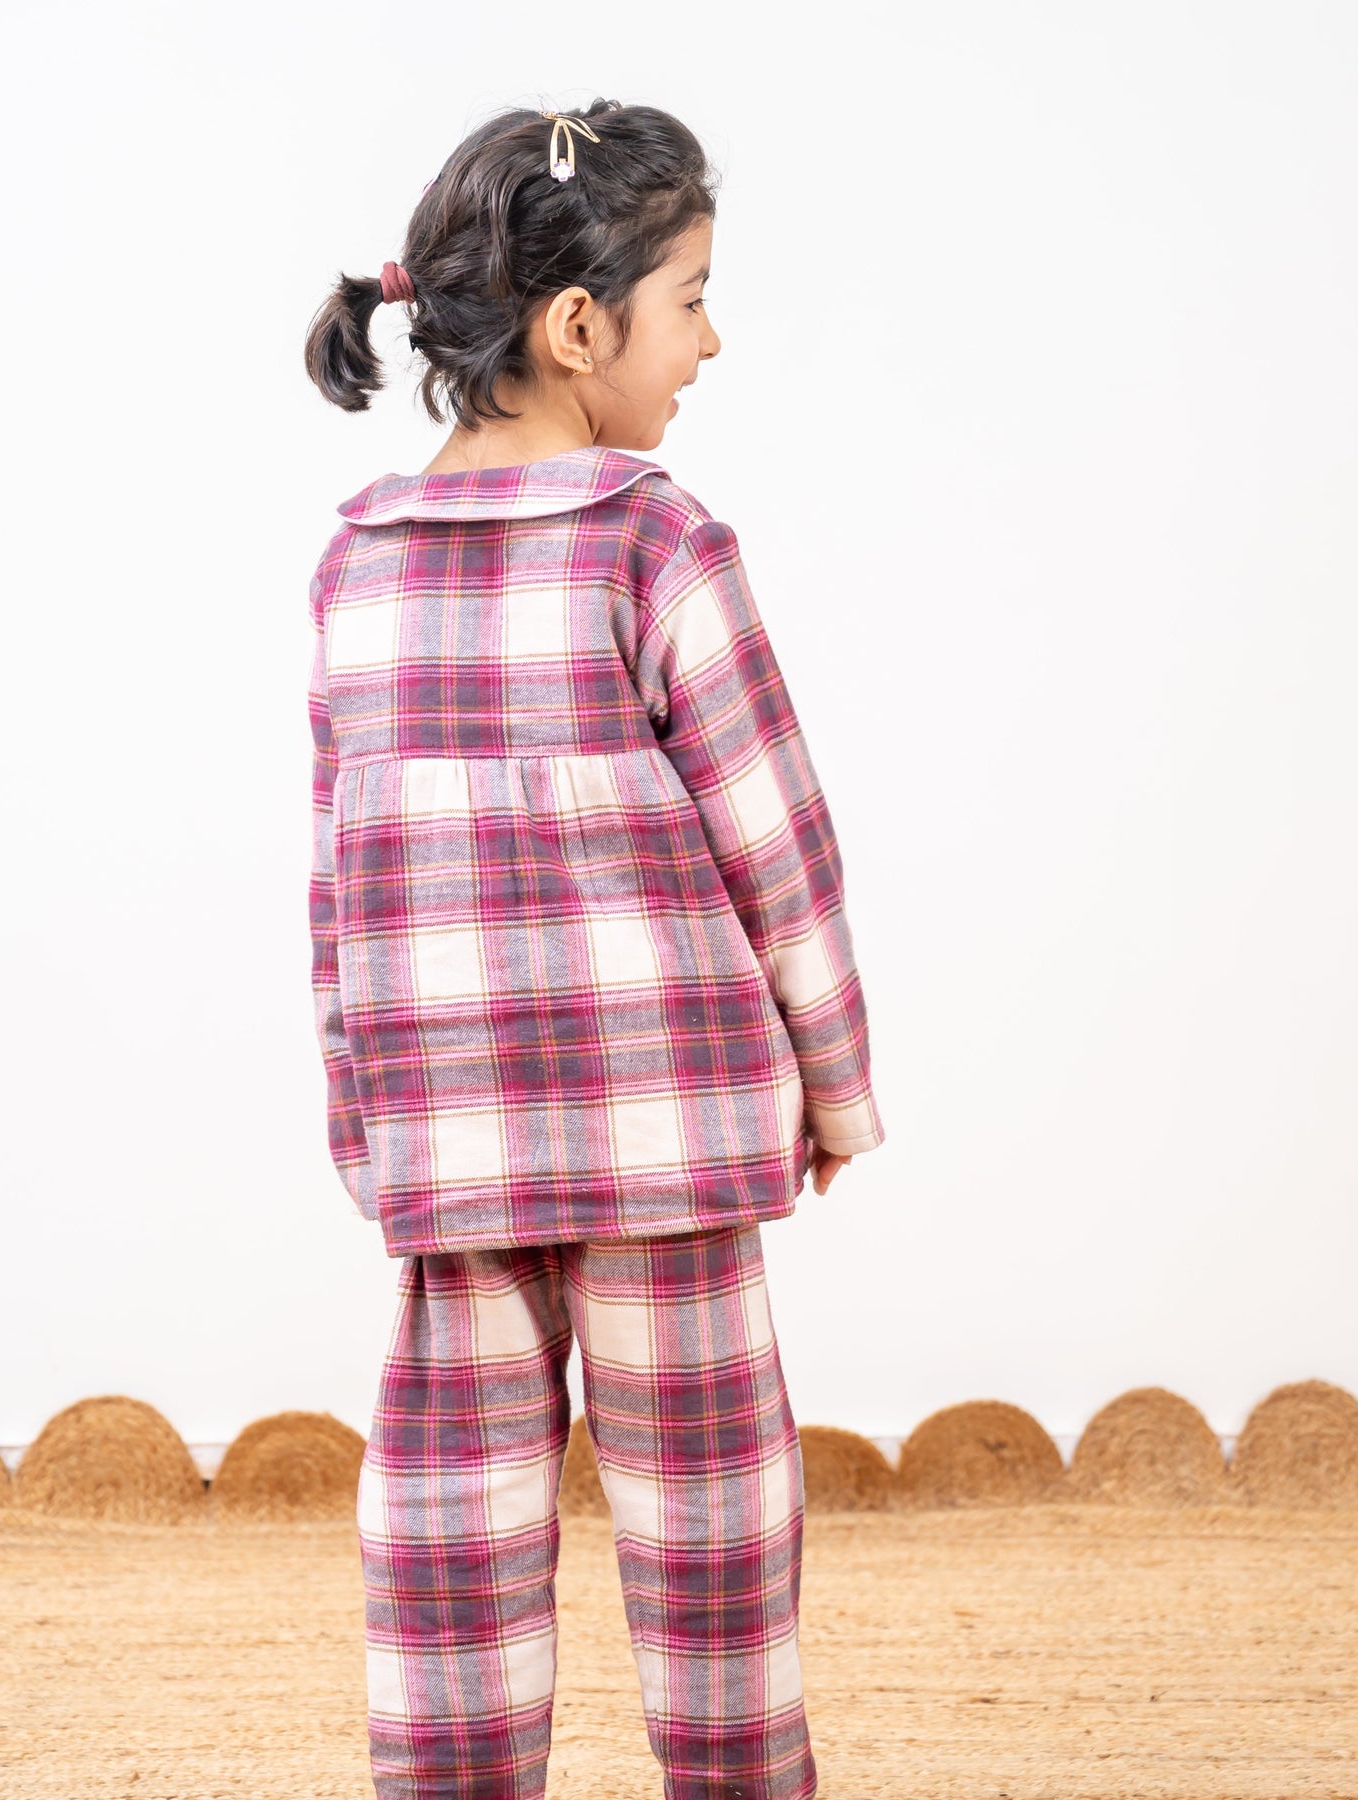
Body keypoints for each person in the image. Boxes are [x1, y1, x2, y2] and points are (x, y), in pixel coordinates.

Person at [301, 96, 885, 1800]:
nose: (712, 339)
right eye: (690, 298)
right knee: (715, 1558)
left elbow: (340, 890)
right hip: (669, 1150)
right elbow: (779, 842)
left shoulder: (355, 568)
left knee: (450, 1559)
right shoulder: (657, 539)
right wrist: (835, 1089)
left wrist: (367, 1127)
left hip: (456, 1153)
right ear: (578, 328)